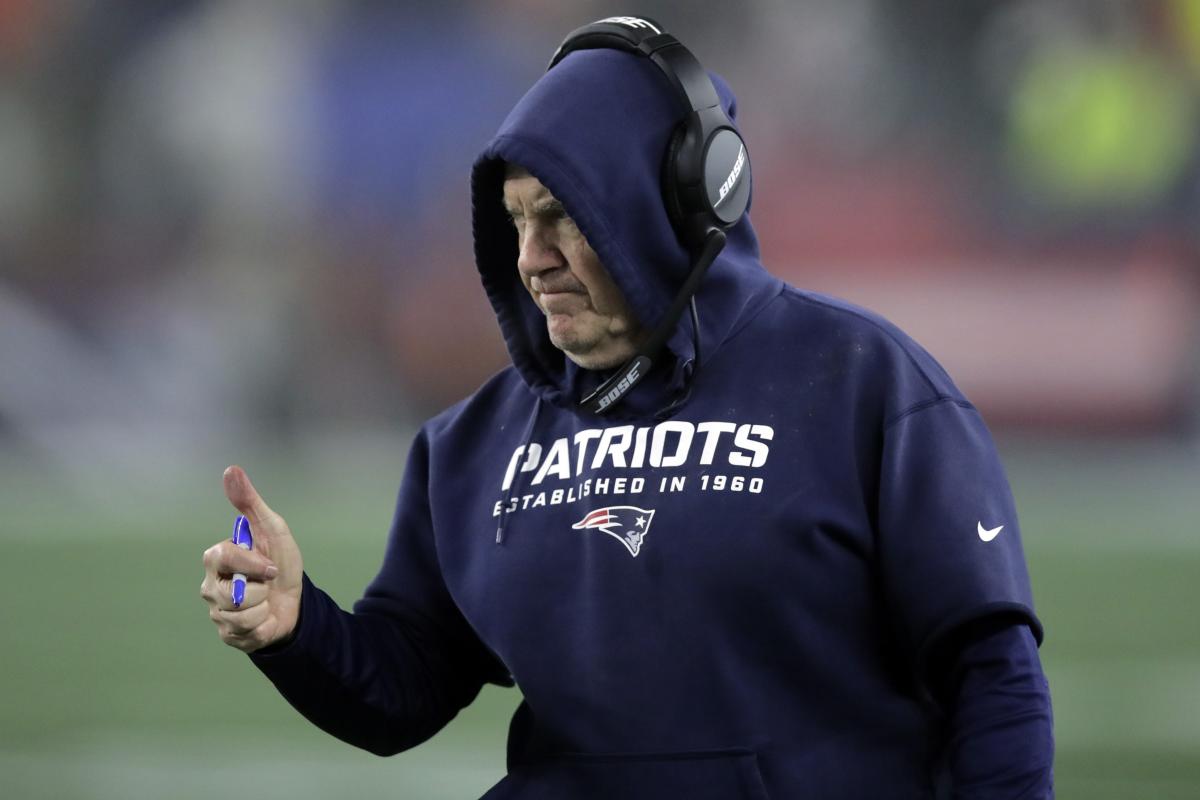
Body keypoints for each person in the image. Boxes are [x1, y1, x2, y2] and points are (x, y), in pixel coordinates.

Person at [200, 17, 1054, 799]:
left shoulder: (868, 385)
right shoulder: (469, 444)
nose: (532, 260)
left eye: (565, 216)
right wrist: (295, 624)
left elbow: (992, 680)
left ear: (681, 199)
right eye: (515, 221)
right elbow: (401, 692)